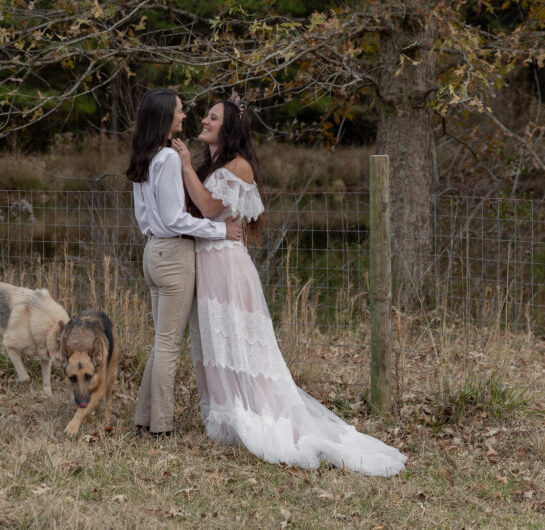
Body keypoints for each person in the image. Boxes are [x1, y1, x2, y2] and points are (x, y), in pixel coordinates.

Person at [172, 96, 406, 475]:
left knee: (245, 346)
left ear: (228, 127)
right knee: (219, 342)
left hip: (229, 270)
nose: (204, 120)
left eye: (212, 117)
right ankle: (229, 412)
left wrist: (184, 166)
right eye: (205, 116)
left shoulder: (239, 165)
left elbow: (210, 208)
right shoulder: (213, 164)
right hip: (210, 265)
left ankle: (262, 415)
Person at [126, 88, 243, 437]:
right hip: (174, 255)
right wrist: (218, 229)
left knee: (160, 341)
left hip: (152, 252)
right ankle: (161, 426)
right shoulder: (166, 159)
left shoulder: (144, 156)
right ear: (164, 116)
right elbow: (176, 219)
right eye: (179, 111)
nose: (184, 116)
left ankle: (144, 419)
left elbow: (146, 215)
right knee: (168, 345)